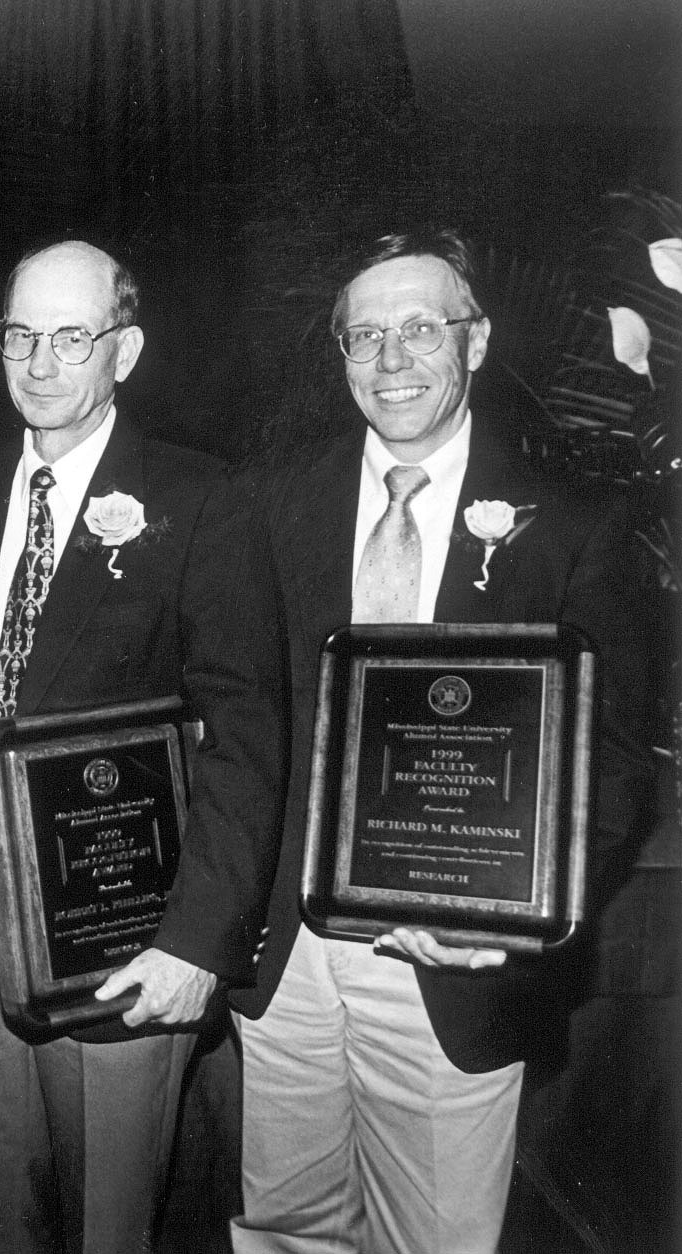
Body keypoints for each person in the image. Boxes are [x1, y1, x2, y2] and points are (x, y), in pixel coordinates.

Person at [231, 228, 653, 1253]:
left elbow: (616, 759)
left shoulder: (576, 523)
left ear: (475, 342)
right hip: (284, 956)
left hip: (455, 955)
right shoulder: (268, 502)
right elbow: (239, 711)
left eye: (421, 328)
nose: (390, 361)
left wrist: (523, 916)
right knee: (285, 1229)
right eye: (363, 335)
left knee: (434, 1239)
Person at [0, 240, 287, 1253]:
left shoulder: (203, 498)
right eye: (21, 335)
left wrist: (196, 942)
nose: (40, 363)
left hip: (124, 920)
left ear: (123, 351)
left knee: (110, 1218)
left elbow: (250, 736)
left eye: (71, 337)